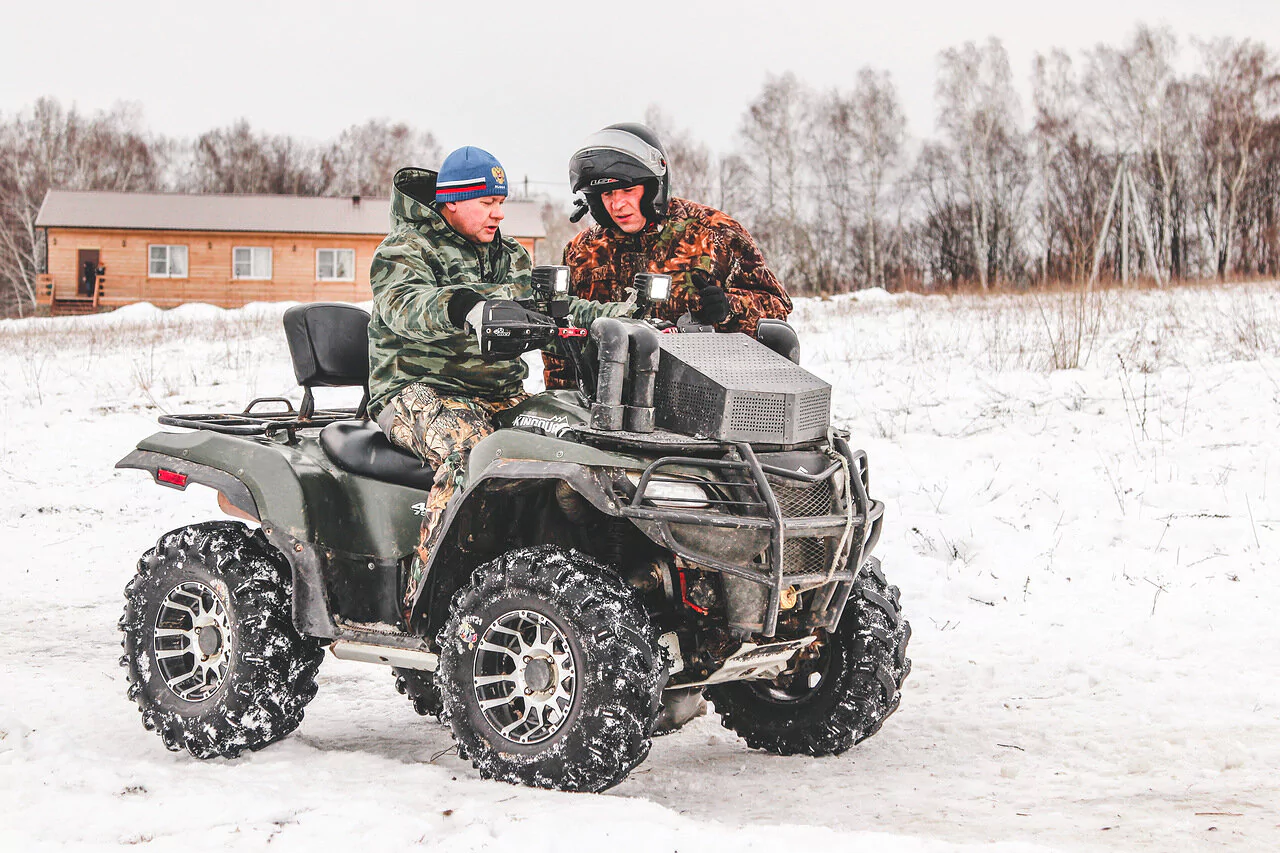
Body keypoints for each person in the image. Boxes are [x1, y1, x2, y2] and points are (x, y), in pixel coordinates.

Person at [367, 146, 633, 614]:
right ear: (452, 200)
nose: (499, 212)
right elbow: (402, 305)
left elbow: (558, 311)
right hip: (418, 388)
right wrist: (460, 306)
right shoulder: (405, 250)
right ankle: (429, 599)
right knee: (470, 455)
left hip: (499, 394)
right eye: (487, 202)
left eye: (501, 201)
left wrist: (626, 316)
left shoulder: (509, 255)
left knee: (573, 444)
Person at [544, 123, 792, 388]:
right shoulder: (582, 251)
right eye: (607, 194)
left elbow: (777, 309)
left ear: (653, 188)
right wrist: (565, 399)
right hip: (606, 402)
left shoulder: (714, 233)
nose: (617, 205)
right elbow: (561, 331)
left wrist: (729, 308)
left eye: (628, 191)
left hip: (699, 396)